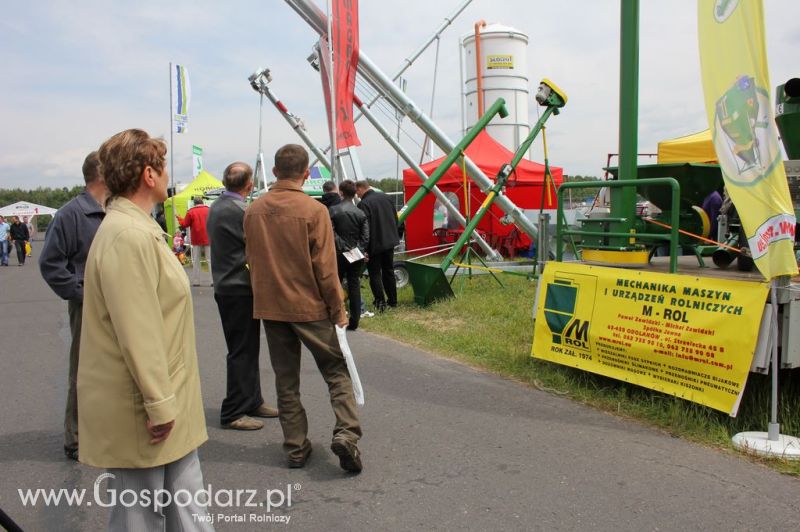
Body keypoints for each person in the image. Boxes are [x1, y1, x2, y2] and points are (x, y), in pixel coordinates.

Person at [78, 129, 212, 529]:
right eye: (164, 166)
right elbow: (138, 331)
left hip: (165, 396)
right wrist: (158, 404)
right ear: (149, 176)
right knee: (140, 516)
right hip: (148, 404)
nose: (168, 175)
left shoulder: (135, 229)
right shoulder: (128, 235)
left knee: (185, 509)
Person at [244, 144, 363, 472]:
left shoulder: (253, 210)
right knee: (336, 372)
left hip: (271, 307)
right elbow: (326, 269)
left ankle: (296, 448)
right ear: (306, 172)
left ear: (276, 171)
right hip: (310, 306)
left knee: (286, 381)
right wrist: (338, 309)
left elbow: (251, 260)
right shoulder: (314, 211)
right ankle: (346, 434)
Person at [38, 151, 109, 461]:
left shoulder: (115, 210)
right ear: (102, 174)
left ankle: (108, 430)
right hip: (89, 305)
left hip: (118, 304)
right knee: (84, 371)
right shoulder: (71, 213)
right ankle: (76, 439)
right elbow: (51, 263)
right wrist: (81, 293)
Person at [207, 161, 279, 431]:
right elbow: (260, 245)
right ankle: (234, 411)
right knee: (241, 351)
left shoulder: (219, 206)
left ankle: (252, 400)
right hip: (237, 288)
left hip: (231, 286)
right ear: (249, 185)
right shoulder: (239, 210)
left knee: (248, 349)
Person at [330, 179, 369, 331]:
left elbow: (330, 231)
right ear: (354, 194)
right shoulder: (360, 212)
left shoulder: (332, 210)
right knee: (354, 284)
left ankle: (336, 316)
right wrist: (356, 249)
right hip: (355, 253)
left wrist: (342, 246)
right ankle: (355, 319)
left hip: (338, 253)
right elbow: (366, 236)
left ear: (341, 192)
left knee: (335, 284)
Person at [355, 180, 400, 312]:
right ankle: (393, 301)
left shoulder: (363, 204)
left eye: (357, 192)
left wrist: (364, 248)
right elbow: (395, 218)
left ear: (360, 189)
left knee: (374, 274)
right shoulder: (386, 197)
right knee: (389, 271)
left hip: (374, 244)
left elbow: (364, 228)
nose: (357, 195)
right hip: (389, 241)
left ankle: (380, 302)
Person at [178, 196, 211, 286]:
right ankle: (212, 281)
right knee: (209, 260)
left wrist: (179, 218)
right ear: (202, 202)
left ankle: (197, 281)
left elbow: (185, 224)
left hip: (196, 239)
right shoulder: (209, 210)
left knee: (196, 260)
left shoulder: (191, 212)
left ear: (194, 203)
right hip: (208, 237)